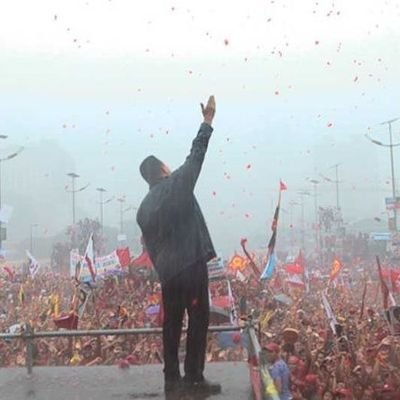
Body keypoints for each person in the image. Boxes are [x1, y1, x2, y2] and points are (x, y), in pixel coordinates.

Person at [136, 96, 221, 394]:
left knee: (171, 323)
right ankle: (194, 376)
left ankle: (171, 377)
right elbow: (196, 156)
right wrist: (207, 122)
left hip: (169, 275)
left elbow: (151, 248)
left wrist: (165, 270)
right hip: (191, 267)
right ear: (161, 170)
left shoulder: (143, 209)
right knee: (198, 319)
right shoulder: (176, 185)